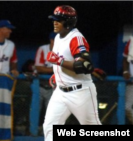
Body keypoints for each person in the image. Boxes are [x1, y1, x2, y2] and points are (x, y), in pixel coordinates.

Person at [43, 5, 102, 141]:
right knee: (50, 127)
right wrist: (57, 74)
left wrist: (60, 62)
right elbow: (65, 62)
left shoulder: (76, 38)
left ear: (68, 22)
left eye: (59, 20)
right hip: (60, 92)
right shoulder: (58, 37)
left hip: (80, 92)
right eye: (54, 19)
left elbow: (85, 66)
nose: (55, 22)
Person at [34, 32, 56, 134]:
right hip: (38, 85)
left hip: (53, 87)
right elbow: (39, 67)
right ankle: (32, 132)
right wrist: (54, 69)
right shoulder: (43, 49)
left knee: (52, 113)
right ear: (51, 40)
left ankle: (49, 133)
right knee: (35, 111)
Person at [122, 36, 133, 124]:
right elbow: (125, 58)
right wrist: (125, 71)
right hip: (131, 80)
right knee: (127, 108)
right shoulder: (132, 40)